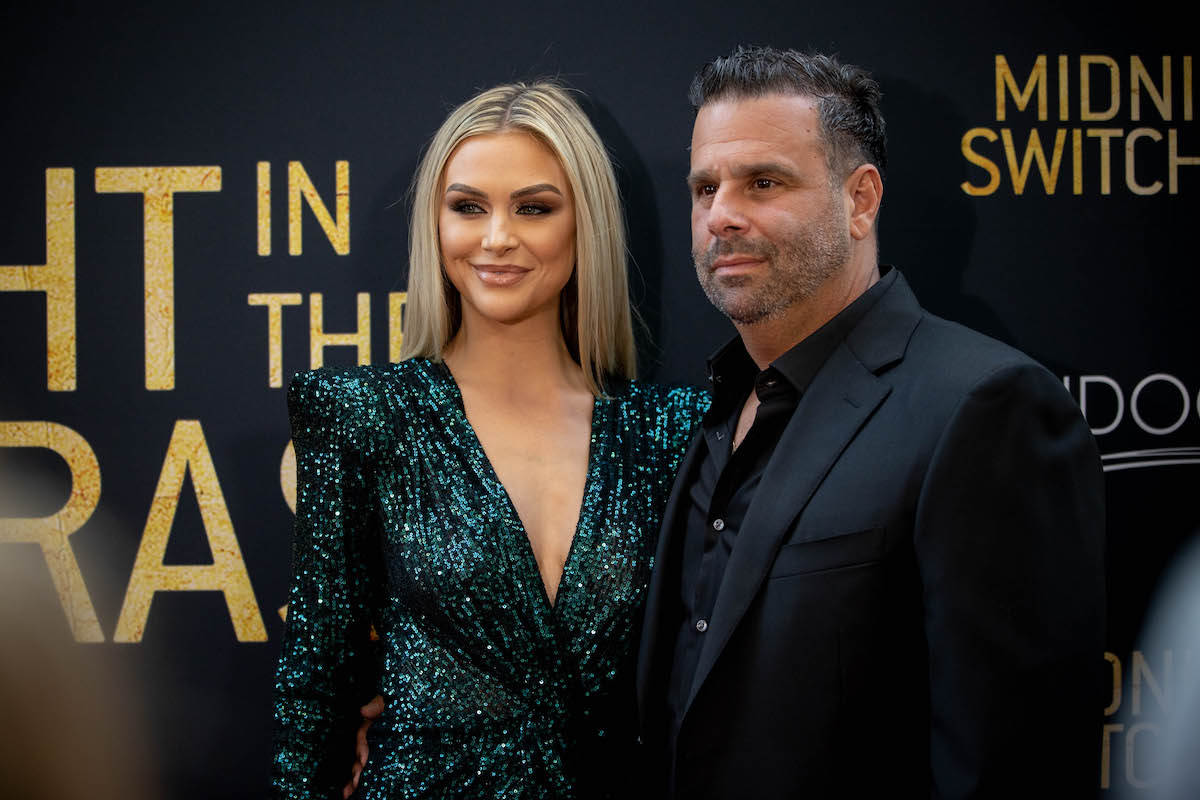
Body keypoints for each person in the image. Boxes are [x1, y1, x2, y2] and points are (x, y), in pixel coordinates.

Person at [634, 47, 1106, 797]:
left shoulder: (984, 405)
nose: (720, 215)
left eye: (764, 182)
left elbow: (1017, 765)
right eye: (704, 188)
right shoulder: (714, 408)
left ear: (860, 200)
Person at [270, 81, 707, 799]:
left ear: (584, 223)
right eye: (467, 207)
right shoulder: (364, 416)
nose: (496, 237)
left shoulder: (671, 431)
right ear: (434, 225)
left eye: (533, 208)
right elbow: (315, 687)